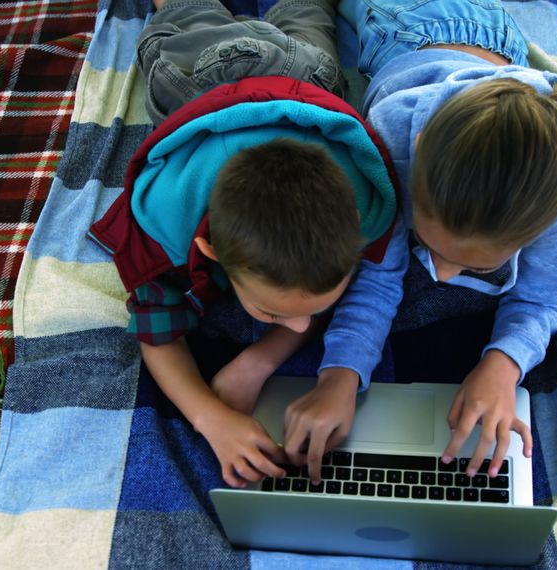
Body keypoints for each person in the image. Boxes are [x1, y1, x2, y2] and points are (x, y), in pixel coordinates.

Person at [89, 0, 407, 488]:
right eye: (275, 313)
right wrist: (209, 418)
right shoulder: (166, 229)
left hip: (307, 77)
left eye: (310, 310)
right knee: (184, 10)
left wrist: (261, 358)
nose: (301, 327)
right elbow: (157, 334)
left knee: (308, 12)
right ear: (209, 249)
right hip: (201, 72)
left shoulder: (359, 201)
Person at [351, 0, 557, 479]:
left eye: (478, 266)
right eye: (429, 243)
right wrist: (342, 373)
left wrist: (505, 365)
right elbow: (376, 272)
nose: (439, 276)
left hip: (495, 40)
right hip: (405, 26)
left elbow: (545, 295)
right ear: (417, 157)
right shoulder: (387, 138)